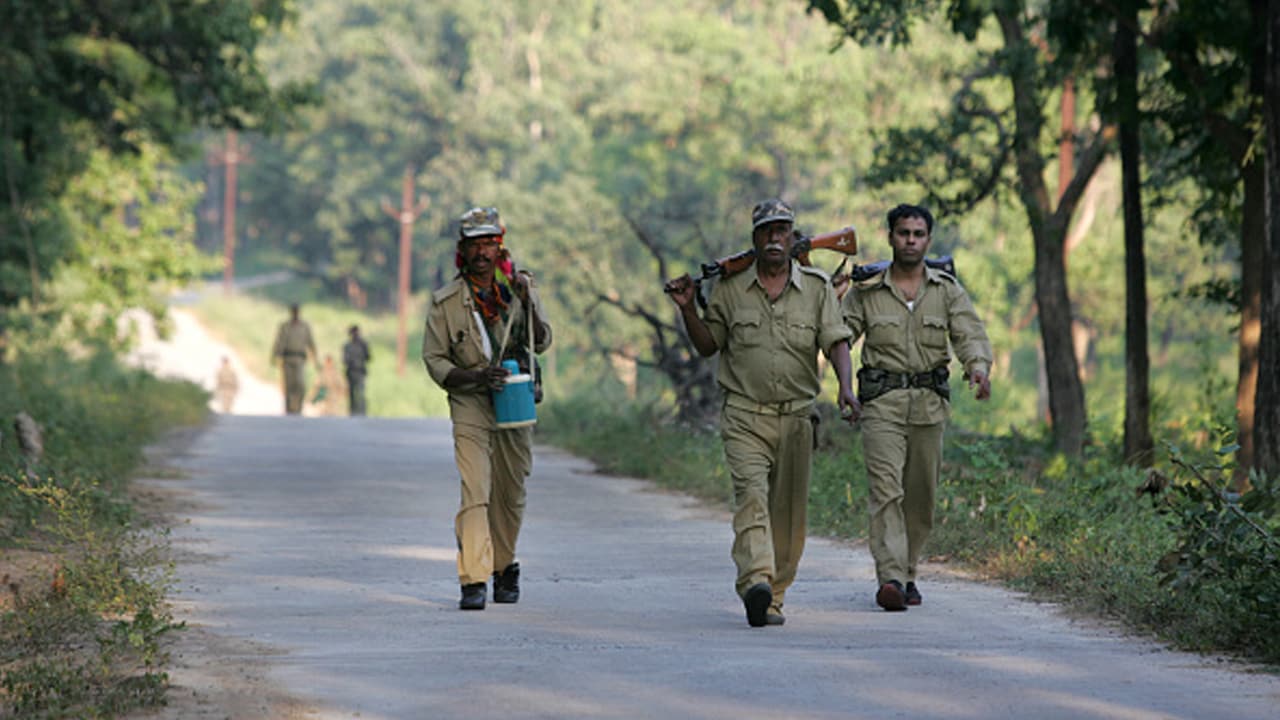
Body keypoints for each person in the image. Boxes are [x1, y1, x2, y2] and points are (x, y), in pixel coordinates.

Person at [665, 198, 857, 628]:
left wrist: (846, 387)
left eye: (782, 230)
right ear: (754, 239)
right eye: (766, 230)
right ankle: (756, 581)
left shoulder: (817, 287)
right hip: (744, 416)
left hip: (796, 418)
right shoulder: (730, 289)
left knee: (788, 515)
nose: (774, 237)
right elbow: (708, 345)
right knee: (751, 499)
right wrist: (687, 309)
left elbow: (837, 340)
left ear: (793, 238)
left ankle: (774, 596)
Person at [840, 203, 992, 611]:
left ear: (928, 239)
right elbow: (839, 335)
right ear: (890, 237)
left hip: (928, 405)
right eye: (903, 232)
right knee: (886, 491)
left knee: (921, 497)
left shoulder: (946, 290)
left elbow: (969, 334)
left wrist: (977, 369)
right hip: (882, 404)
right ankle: (890, 577)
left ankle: (908, 572)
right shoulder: (867, 291)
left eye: (918, 233)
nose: (910, 240)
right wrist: (833, 300)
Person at [421, 206, 552, 611]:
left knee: (510, 492)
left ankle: (503, 566)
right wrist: (477, 378)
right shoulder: (445, 302)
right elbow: (435, 361)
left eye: (489, 244)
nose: (482, 252)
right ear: (462, 251)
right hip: (471, 402)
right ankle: (474, 578)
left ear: (500, 249)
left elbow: (542, 341)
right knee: (475, 489)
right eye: (474, 245)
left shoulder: (516, 291)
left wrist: (529, 300)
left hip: (513, 400)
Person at [271, 303, 318, 415]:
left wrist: (315, 358)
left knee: (300, 383)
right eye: (294, 311)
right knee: (288, 384)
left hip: (300, 358)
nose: (295, 313)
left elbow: (310, 342)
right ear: (291, 312)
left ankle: (299, 407)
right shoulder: (285, 326)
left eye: (297, 311)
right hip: (287, 358)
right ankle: (289, 408)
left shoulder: (305, 326)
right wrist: (275, 356)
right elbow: (279, 342)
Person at [343, 324, 372, 416]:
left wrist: (364, 348)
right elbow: (345, 360)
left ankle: (362, 412)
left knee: (361, 392)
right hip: (351, 372)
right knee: (352, 394)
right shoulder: (348, 346)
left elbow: (368, 357)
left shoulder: (363, 345)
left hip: (360, 372)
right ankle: (352, 412)